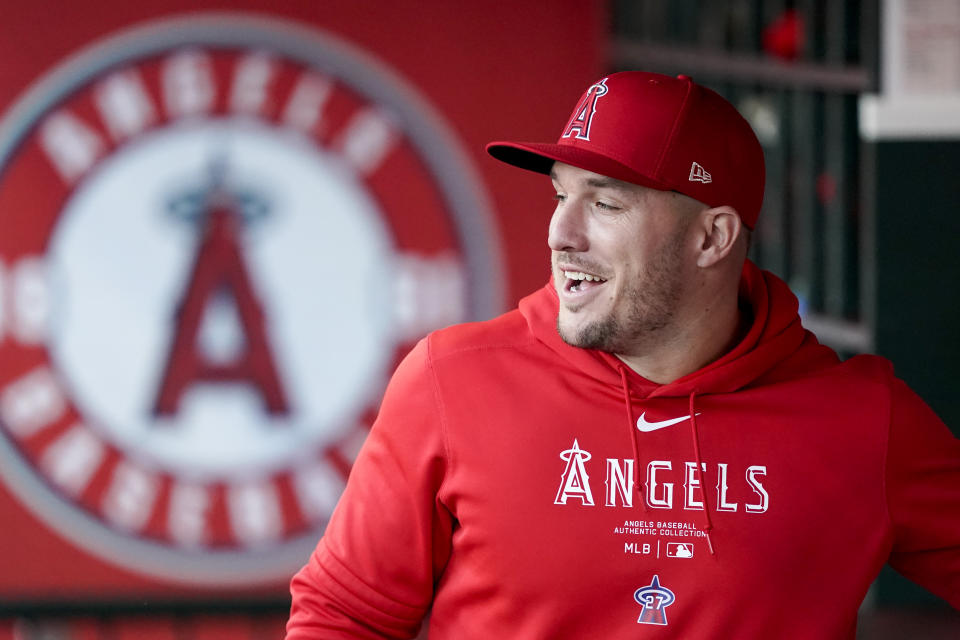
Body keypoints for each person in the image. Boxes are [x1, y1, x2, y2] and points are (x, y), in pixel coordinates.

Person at [285, 71, 960, 639]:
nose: (560, 233)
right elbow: (341, 617)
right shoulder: (449, 381)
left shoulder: (865, 423)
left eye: (604, 203)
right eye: (560, 194)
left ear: (711, 238)